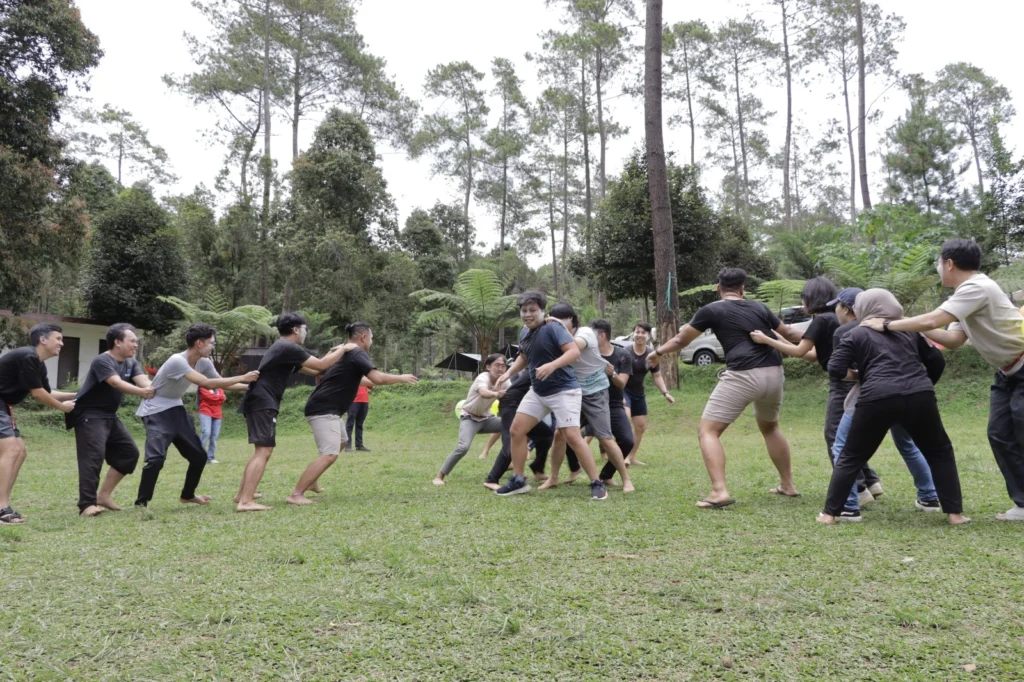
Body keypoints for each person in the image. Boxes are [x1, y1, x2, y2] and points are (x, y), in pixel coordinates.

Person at [861, 239, 1024, 522]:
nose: (937, 269)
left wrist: (887, 324)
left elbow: (932, 320)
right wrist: (908, 325)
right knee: (999, 433)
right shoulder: (965, 297)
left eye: (938, 263)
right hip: (1007, 372)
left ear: (949, 263)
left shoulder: (976, 287)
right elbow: (953, 339)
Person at [647, 268, 804, 509]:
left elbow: (681, 340)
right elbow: (791, 333)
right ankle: (788, 485)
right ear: (742, 289)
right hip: (774, 373)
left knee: (708, 431)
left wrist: (657, 353)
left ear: (718, 288)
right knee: (771, 427)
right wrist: (828, 332)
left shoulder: (712, 309)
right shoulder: (760, 308)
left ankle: (719, 491)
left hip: (743, 374)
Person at [822, 289, 969, 526]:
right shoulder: (910, 331)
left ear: (864, 308)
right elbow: (936, 361)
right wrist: (922, 386)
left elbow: (835, 368)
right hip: (919, 395)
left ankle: (830, 515)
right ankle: (955, 515)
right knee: (940, 452)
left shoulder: (855, 333)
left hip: (876, 397)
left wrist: (860, 375)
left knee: (851, 456)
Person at [750, 279, 883, 505]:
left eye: (804, 298)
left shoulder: (821, 320)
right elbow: (812, 356)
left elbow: (799, 350)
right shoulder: (833, 319)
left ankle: (858, 491)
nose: (802, 302)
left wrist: (766, 340)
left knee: (834, 436)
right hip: (857, 380)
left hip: (842, 384)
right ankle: (870, 481)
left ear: (811, 298)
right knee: (847, 435)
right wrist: (777, 338)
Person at [493, 291, 609, 500]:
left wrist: (552, 365)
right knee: (517, 430)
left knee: (572, 436)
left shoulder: (554, 327)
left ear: (542, 311)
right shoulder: (524, 332)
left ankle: (597, 483)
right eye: (524, 310)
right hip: (538, 391)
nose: (527, 314)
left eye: (532, 310)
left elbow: (573, 352)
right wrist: (508, 373)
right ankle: (518, 480)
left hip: (564, 390)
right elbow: (524, 357)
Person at [235, 312, 356, 512]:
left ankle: (242, 495)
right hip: (263, 401)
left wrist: (332, 353)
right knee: (264, 451)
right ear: (295, 330)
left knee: (261, 450)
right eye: (305, 329)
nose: (306, 333)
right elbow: (321, 364)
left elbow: (316, 370)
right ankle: (246, 501)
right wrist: (344, 348)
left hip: (260, 399)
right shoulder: (288, 347)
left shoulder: (284, 349)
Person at [290, 322, 417, 505]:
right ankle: (296, 494)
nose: (371, 341)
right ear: (364, 337)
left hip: (327, 407)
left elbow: (346, 377)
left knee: (342, 441)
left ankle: (311, 481)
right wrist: (401, 377)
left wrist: (368, 382)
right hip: (324, 408)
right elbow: (378, 378)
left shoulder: (345, 353)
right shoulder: (357, 353)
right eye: (371, 338)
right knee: (329, 454)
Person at [133, 324, 259, 508]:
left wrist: (251, 387)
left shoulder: (204, 362)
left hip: (176, 408)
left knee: (199, 457)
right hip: (155, 410)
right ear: (199, 343)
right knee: (156, 459)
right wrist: (242, 377)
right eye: (211, 343)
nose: (213, 347)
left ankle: (188, 495)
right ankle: (141, 503)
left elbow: (220, 383)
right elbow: (207, 383)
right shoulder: (177, 360)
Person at [537, 304, 633, 493]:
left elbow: (574, 347)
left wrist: (555, 327)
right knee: (559, 434)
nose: (555, 323)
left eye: (559, 319)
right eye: (552, 319)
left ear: (571, 319)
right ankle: (553, 478)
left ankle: (626, 479)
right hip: (574, 392)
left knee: (605, 438)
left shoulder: (585, 333)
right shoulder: (555, 336)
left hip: (596, 392)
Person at [65, 323, 155, 517]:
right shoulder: (102, 361)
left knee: (129, 453)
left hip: (109, 416)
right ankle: (87, 505)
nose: (135, 345)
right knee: (93, 457)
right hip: (89, 414)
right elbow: (115, 382)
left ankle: (103, 496)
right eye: (132, 341)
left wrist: (154, 387)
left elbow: (144, 381)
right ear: (117, 342)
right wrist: (142, 393)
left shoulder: (131, 362)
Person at [0, 324, 78, 524]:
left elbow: (47, 392)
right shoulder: (29, 356)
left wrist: (79, 394)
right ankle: (1, 509)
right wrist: (62, 408)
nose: (62, 343)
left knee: (20, 452)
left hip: (4, 405)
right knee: (11, 450)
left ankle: (4, 504)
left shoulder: (38, 363)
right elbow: (37, 394)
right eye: (58, 338)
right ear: (43, 340)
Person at [434, 354, 509, 485]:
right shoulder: (483, 377)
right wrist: (496, 393)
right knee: (463, 448)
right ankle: (439, 477)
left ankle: (511, 463)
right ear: (488, 366)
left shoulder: (505, 382)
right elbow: (483, 393)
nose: (500, 368)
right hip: (470, 418)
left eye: (503, 366)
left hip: (487, 419)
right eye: (497, 365)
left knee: (514, 425)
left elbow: (514, 393)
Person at [483, 371, 554, 490]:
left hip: (523, 406)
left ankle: (538, 470)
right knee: (512, 443)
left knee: (545, 435)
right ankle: (491, 479)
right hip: (510, 404)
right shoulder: (541, 366)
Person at [590, 320, 636, 487]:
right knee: (564, 434)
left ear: (602, 336)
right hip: (588, 402)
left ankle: (605, 475)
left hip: (613, 403)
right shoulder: (587, 353)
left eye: (591, 334)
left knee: (627, 441)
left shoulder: (622, 355)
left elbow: (621, 384)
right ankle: (573, 468)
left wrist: (612, 374)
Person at [623, 322, 674, 466]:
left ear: (649, 335)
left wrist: (666, 393)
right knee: (624, 421)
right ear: (633, 334)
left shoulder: (651, 354)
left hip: (638, 393)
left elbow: (657, 376)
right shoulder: (625, 352)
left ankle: (631, 457)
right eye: (637, 332)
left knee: (640, 427)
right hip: (623, 391)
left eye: (643, 332)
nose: (639, 335)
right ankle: (621, 456)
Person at [198, 386, 225, 464]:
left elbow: (223, 399)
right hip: (205, 411)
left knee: (214, 436)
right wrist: (218, 398)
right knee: (206, 432)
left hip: (217, 413)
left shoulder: (219, 388)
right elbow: (212, 397)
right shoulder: (202, 386)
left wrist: (217, 398)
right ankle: (199, 456)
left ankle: (211, 457)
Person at [345, 382, 372, 452]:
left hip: (364, 401)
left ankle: (359, 445)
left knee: (360, 424)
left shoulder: (365, 377)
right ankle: (348, 445)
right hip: (353, 401)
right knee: (350, 423)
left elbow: (371, 386)